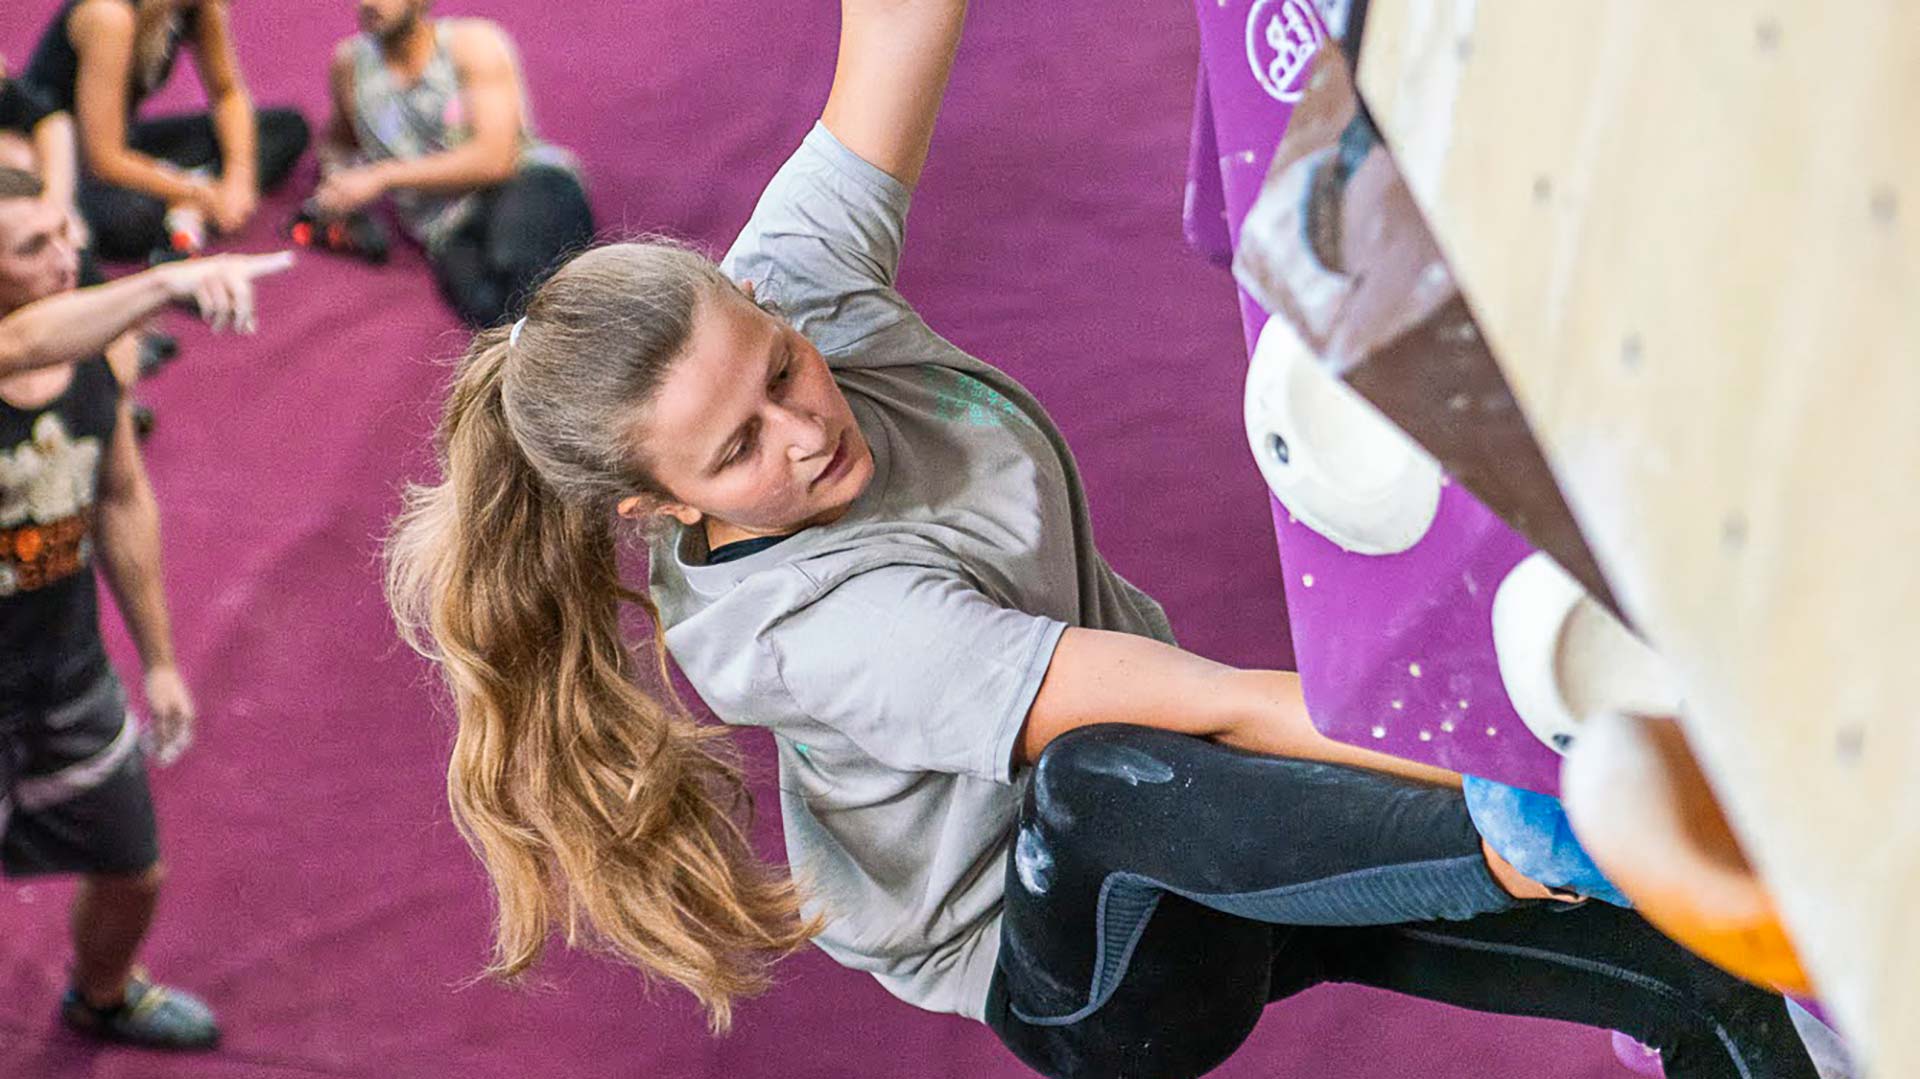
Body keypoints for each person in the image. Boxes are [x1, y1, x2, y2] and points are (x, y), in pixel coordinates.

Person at [382, 4, 1820, 1077]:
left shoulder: (786, 285)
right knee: (1108, 778)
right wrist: (1537, 770)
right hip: (1094, 950)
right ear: (665, 512)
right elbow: (1214, 704)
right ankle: (1547, 823)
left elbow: (895, 31)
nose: (801, 426)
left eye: (779, 368)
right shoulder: (821, 628)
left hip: (1235, 827)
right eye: (739, 448)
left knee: (1708, 978)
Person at [0, 165, 291, 1049]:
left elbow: (120, 495)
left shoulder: (93, 348)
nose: (69, 253)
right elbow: (14, 348)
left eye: (64, 232)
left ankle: (101, 993)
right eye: (33, 246)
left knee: (133, 868)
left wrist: (160, 659)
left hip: (63, 674)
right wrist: (164, 280)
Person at [311, 0, 594, 327]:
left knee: (522, 268)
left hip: (523, 182)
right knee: (490, 311)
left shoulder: (472, 44)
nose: (368, 3)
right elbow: (338, 143)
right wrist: (337, 181)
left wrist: (382, 176)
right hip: (446, 227)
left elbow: (494, 160)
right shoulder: (350, 64)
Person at [19, 0, 311, 262]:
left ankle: (182, 205)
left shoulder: (197, 7)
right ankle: (185, 201)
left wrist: (239, 177)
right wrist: (200, 193)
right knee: (133, 219)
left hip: (124, 144)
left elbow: (227, 93)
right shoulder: (108, 15)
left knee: (286, 129)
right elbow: (103, 160)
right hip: (60, 163)